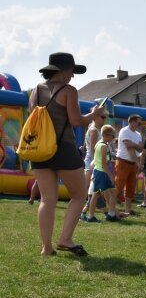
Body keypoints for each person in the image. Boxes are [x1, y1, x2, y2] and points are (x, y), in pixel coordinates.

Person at [29, 52, 105, 256]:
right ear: (62, 71)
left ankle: (46, 247)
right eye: (71, 71)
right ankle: (65, 239)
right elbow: (75, 121)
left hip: (39, 150)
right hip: (63, 148)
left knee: (47, 199)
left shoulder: (34, 91)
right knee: (79, 195)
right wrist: (94, 115)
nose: (72, 76)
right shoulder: (69, 90)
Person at [85, 125, 121, 223]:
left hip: (100, 171)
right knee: (96, 195)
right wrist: (111, 175)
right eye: (113, 136)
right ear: (108, 135)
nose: (113, 138)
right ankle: (91, 216)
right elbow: (104, 164)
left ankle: (111, 214)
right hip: (101, 172)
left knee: (113, 192)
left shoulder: (99, 144)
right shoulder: (104, 146)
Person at [115, 114, 144, 216]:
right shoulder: (124, 131)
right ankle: (111, 208)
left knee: (131, 188)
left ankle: (128, 209)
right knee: (119, 185)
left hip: (133, 163)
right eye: (138, 122)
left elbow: (140, 148)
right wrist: (138, 162)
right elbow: (129, 147)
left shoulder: (138, 134)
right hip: (123, 161)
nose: (140, 125)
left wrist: (134, 145)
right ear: (131, 121)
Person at [79, 115, 106, 221]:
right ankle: (83, 212)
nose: (104, 119)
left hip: (92, 160)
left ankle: (86, 211)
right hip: (93, 161)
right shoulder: (94, 130)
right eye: (102, 117)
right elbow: (94, 149)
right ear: (95, 117)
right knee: (91, 188)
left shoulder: (94, 129)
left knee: (93, 189)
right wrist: (97, 163)